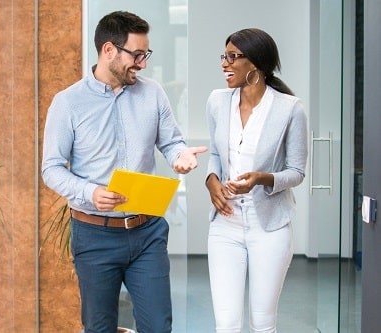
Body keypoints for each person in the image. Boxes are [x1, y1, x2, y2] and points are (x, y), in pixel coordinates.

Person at [42, 10, 206, 333]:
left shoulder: (153, 93)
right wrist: (91, 193)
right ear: (108, 50)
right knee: (99, 327)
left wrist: (180, 156)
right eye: (137, 55)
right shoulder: (68, 103)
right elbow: (51, 169)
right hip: (94, 234)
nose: (143, 63)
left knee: (158, 326)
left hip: (147, 233)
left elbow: (172, 142)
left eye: (146, 55)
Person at [205, 28, 308, 332]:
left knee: (262, 323)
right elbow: (214, 153)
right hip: (225, 223)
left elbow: (296, 172)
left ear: (256, 64)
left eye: (233, 57)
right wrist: (211, 180)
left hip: (270, 226)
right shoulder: (217, 101)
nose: (225, 63)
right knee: (226, 324)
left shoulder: (290, 109)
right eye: (224, 56)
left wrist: (261, 178)